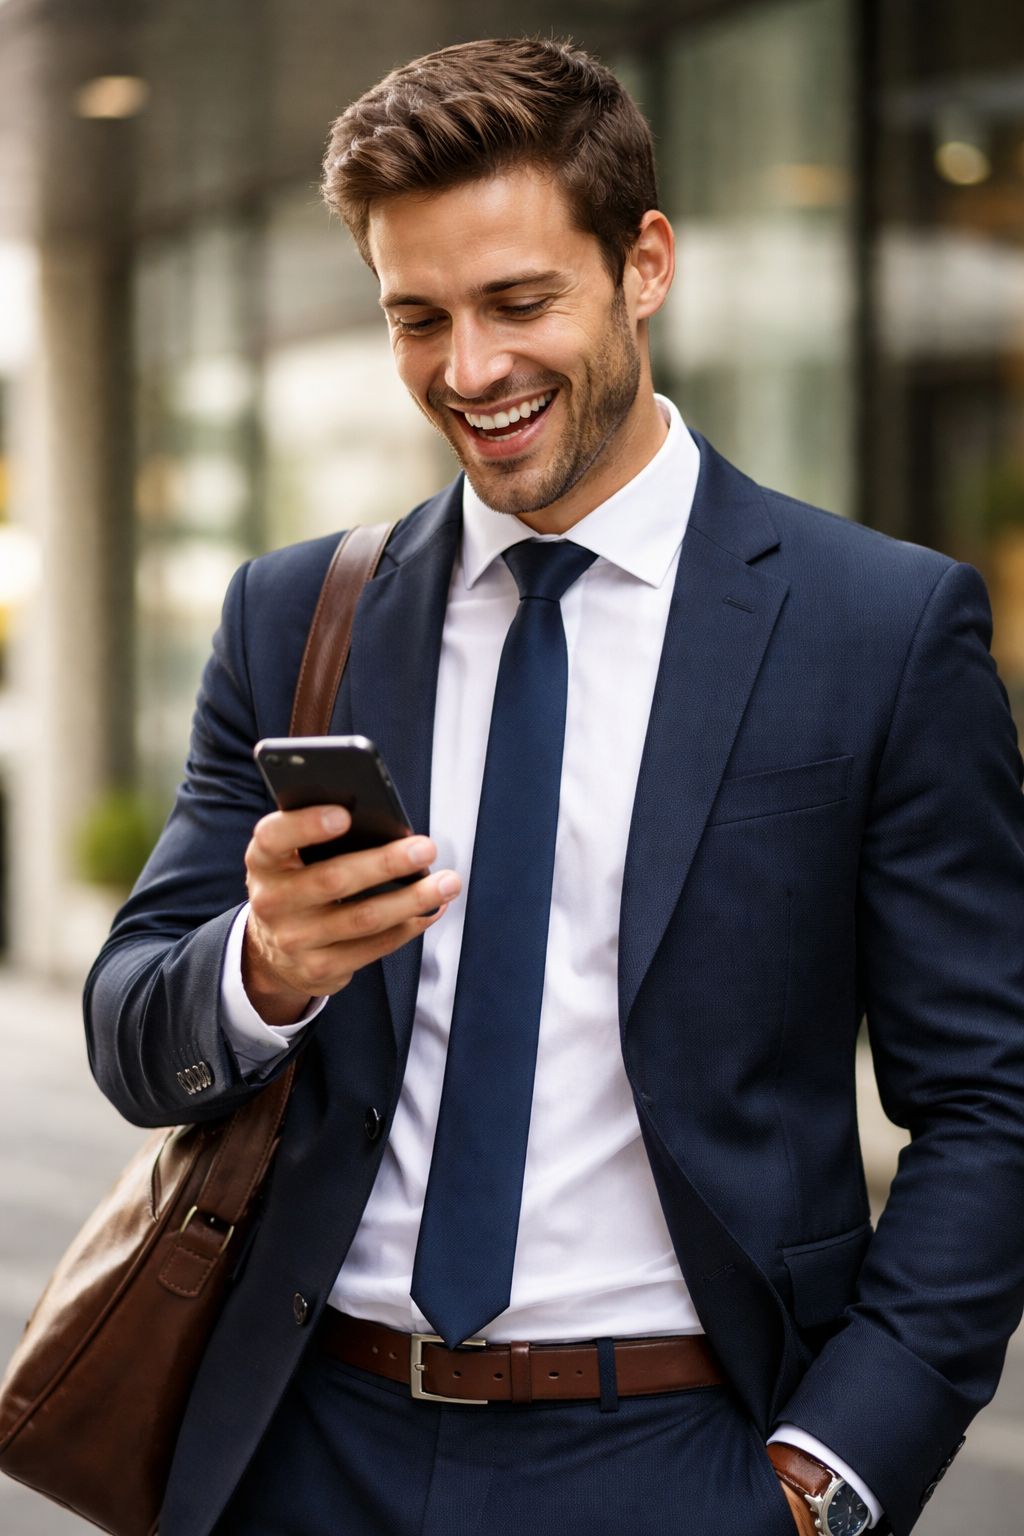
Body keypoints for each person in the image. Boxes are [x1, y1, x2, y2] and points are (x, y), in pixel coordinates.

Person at [85, 37, 1024, 1536]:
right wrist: (261, 970)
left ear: (644, 264)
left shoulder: (878, 631)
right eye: (419, 319)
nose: (471, 371)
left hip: (682, 1461)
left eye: (520, 302)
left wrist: (835, 1470)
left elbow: (990, 1101)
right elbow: (135, 1037)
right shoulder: (293, 618)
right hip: (305, 1450)